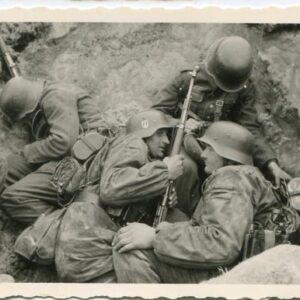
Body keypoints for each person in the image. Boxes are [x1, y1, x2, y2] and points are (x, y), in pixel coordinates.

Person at [112, 121, 279, 283]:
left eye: (209, 149)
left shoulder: (231, 180)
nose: (203, 154)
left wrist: (155, 237)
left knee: (131, 251)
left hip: (228, 274)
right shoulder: (244, 178)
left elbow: (221, 244)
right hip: (240, 268)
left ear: (225, 154)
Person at [152, 35, 290, 215]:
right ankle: (181, 218)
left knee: (233, 175)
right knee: (186, 169)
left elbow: (249, 129)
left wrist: (271, 165)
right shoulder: (188, 78)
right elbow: (157, 112)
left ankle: (216, 220)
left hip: (218, 145)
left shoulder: (244, 87)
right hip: (187, 141)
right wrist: (182, 123)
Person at [54, 109, 186, 282]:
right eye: (160, 133)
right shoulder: (133, 143)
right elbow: (112, 188)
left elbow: (127, 192)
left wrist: (161, 194)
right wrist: (164, 172)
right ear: (144, 134)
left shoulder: (143, 157)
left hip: (87, 242)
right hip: (88, 244)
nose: (166, 141)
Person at [0, 76, 106, 224]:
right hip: (62, 156)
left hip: (83, 161)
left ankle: (64, 226)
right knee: (6, 167)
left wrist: (28, 151)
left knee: (14, 197)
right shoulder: (44, 95)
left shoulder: (56, 95)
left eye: (25, 117)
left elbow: (63, 142)